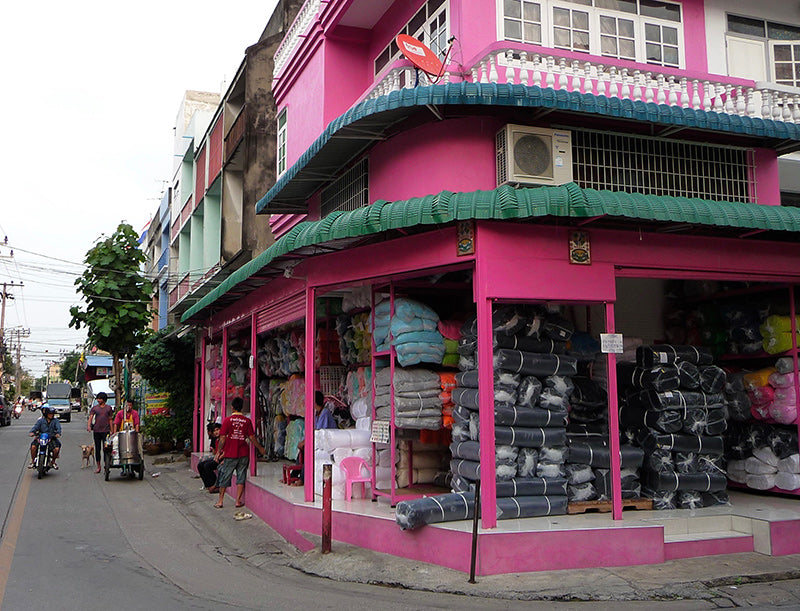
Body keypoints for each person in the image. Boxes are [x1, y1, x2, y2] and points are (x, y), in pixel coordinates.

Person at [214, 397, 265, 509]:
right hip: (243, 453)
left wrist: (218, 452)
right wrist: (260, 448)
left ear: (232, 407)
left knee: (226, 476)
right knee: (241, 476)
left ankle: (220, 501)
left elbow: (222, 439)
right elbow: (251, 437)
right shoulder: (247, 421)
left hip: (230, 453)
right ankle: (238, 501)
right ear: (241, 407)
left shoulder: (227, 420)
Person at [295, 391, 338, 482]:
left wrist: (305, 442)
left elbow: (320, 431)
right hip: (320, 440)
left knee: (309, 453)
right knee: (301, 452)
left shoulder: (325, 413)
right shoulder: (316, 414)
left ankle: (302, 479)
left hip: (328, 442)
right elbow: (312, 431)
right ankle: (294, 475)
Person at [87, 391, 113, 473]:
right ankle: (98, 466)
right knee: (97, 449)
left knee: (106, 448)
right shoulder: (94, 408)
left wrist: (112, 430)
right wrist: (89, 426)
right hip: (97, 431)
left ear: (104, 399)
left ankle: (106, 464)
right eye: (97, 398)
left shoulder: (108, 408)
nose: (98, 400)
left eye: (100, 398)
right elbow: (90, 417)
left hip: (106, 431)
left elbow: (110, 420)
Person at [197, 422, 222, 493]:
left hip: (224, 458)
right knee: (200, 465)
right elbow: (216, 452)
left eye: (217, 430)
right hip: (218, 458)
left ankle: (215, 485)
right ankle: (208, 485)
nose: (216, 432)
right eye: (214, 431)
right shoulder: (217, 440)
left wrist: (218, 458)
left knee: (207, 466)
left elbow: (226, 452)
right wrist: (216, 457)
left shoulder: (223, 439)